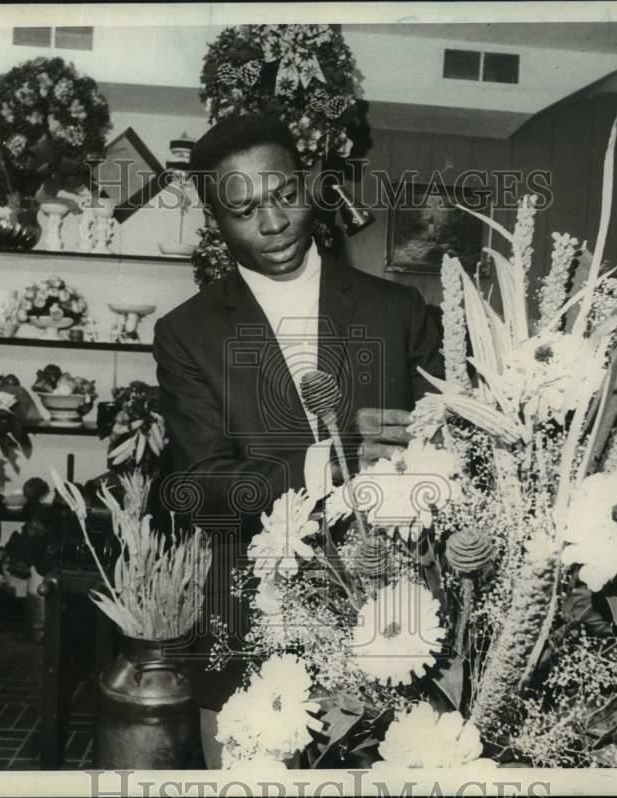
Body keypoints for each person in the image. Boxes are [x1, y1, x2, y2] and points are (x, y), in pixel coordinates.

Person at [152, 113, 443, 712]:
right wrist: (327, 464)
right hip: (250, 621)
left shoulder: (398, 310)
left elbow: (452, 448)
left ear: (309, 184)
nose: (275, 222)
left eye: (286, 194)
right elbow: (202, 489)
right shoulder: (187, 334)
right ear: (214, 219)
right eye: (244, 210)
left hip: (396, 620)